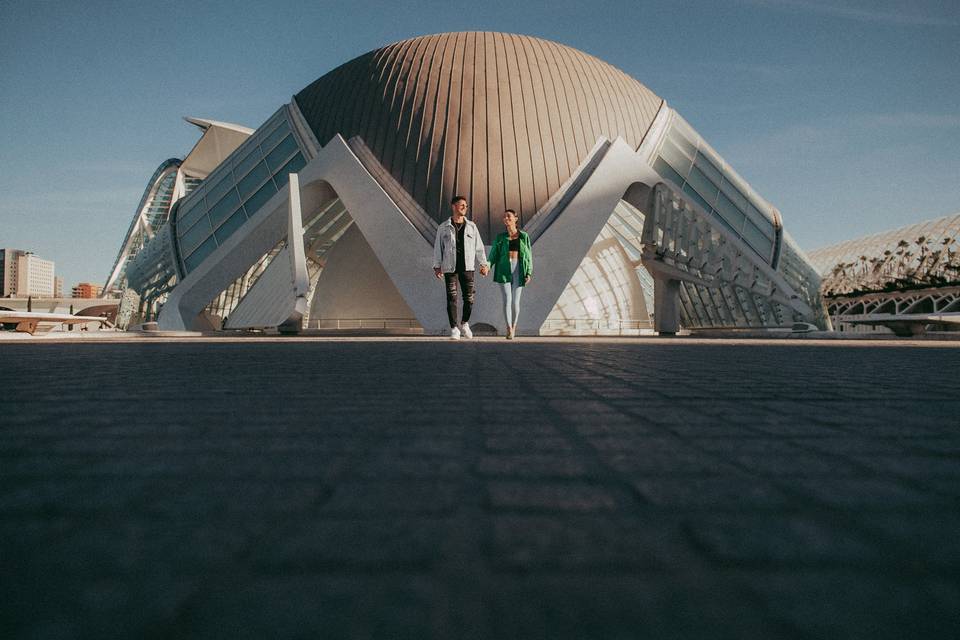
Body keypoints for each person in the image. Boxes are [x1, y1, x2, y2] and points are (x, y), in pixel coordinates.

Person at [433, 195, 489, 339]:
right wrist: (437, 266)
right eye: (461, 205)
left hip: (468, 268)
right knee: (451, 298)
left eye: (466, 205)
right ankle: (454, 328)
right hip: (450, 268)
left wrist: (484, 264)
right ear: (454, 206)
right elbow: (438, 248)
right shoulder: (443, 227)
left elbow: (479, 247)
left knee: (469, 299)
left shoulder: (472, 226)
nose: (465, 207)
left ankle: (464, 323)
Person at [487, 209, 532, 339]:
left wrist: (528, 272)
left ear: (515, 219)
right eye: (504, 217)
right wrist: (488, 265)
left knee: (516, 302)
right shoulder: (501, 237)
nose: (506, 218)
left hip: (519, 269)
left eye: (509, 216)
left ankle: (514, 325)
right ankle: (509, 329)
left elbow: (529, 255)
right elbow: (494, 254)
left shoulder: (523, 236)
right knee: (507, 299)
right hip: (504, 269)